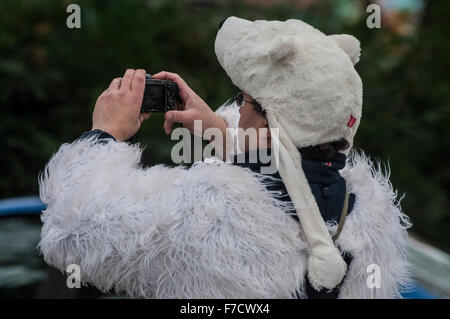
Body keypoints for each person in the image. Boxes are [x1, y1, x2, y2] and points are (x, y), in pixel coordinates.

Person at [38, 17, 411, 298]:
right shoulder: (372, 224)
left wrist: (104, 134)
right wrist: (222, 131)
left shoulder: (204, 210)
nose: (239, 109)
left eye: (245, 102)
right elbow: (289, 183)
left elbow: (72, 232)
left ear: (271, 120)